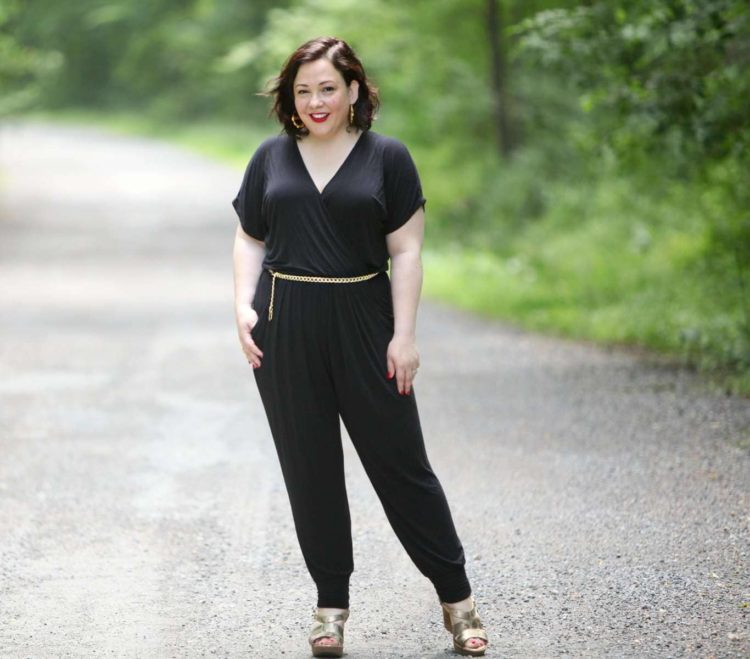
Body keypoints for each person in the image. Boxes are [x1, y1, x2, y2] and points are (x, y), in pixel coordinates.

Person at [231, 36, 489, 657]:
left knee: (401, 467)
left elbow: (407, 251)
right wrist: (242, 303)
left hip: (366, 322)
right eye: (303, 90)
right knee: (309, 469)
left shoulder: (388, 158)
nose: (316, 102)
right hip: (284, 323)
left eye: (327, 88)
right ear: (289, 99)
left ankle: (459, 606)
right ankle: (329, 611)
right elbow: (249, 239)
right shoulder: (270, 158)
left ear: (353, 91)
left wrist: (404, 336)